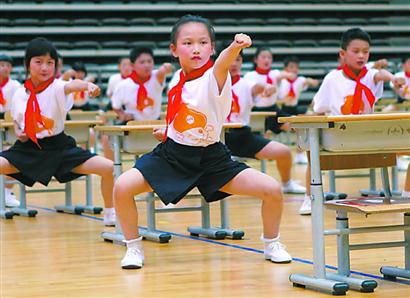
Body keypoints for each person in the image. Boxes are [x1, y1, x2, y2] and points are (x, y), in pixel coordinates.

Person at [113, 15, 292, 269]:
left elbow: (222, 64)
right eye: (187, 43)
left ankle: (272, 242)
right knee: (122, 186)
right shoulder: (177, 79)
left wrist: (236, 47)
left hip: (212, 158)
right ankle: (133, 248)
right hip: (173, 155)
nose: (196, 48)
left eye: (203, 42)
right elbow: (187, 113)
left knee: (272, 190)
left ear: (212, 47)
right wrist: (169, 130)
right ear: (174, 50)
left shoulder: (216, 74)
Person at [0, 37, 116, 226]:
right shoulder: (20, 93)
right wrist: (19, 131)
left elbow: (72, 86)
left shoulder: (57, 86)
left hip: (60, 149)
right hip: (28, 150)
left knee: (108, 168)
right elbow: (15, 119)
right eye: (38, 62)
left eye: (50, 63)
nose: (44, 68)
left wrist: (87, 86)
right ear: (27, 64)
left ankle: (111, 213)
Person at [300, 28, 406, 214]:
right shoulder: (332, 79)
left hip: (367, 139)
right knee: (313, 151)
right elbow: (318, 109)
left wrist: (394, 79)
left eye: (365, 52)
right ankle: (309, 198)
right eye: (355, 51)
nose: (361, 56)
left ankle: (406, 195)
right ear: (342, 54)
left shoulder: (370, 74)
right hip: (339, 140)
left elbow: (380, 74)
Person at [225, 52, 306, 195]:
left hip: (242, 136)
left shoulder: (246, 83)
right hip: (216, 139)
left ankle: (286, 183)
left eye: (237, 60)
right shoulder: (210, 83)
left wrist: (266, 88)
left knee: (284, 152)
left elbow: (257, 87)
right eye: (230, 59)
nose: (234, 63)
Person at [243, 47, 296, 135]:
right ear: (256, 59)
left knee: (295, 122)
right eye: (263, 57)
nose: (266, 60)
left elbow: (282, 75)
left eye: (269, 57)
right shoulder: (250, 75)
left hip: (273, 109)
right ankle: (268, 131)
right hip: (256, 111)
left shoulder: (274, 73)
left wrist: (289, 74)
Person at [111, 47, 172, 123]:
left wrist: (166, 67)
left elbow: (161, 72)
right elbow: (115, 106)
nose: (147, 65)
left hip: (155, 124)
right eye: (142, 62)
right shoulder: (123, 85)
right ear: (132, 65)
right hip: (132, 125)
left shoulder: (156, 77)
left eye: (149, 61)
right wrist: (122, 115)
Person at [277, 55, 319, 164]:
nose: (294, 70)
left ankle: (300, 154)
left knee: (310, 117)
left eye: (296, 67)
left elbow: (307, 81)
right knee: (268, 129)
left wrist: (312, 81)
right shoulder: (281, 81)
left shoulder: (299, 80)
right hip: (283, 108)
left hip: (295, 108)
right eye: (291, 67)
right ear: (286, 69)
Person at [0, 54, 21, 207]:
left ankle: (7, 191)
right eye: (1, 65)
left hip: (8, 122)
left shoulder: (15, 86)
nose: (5, 68)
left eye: (8, 65)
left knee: (13, 154)